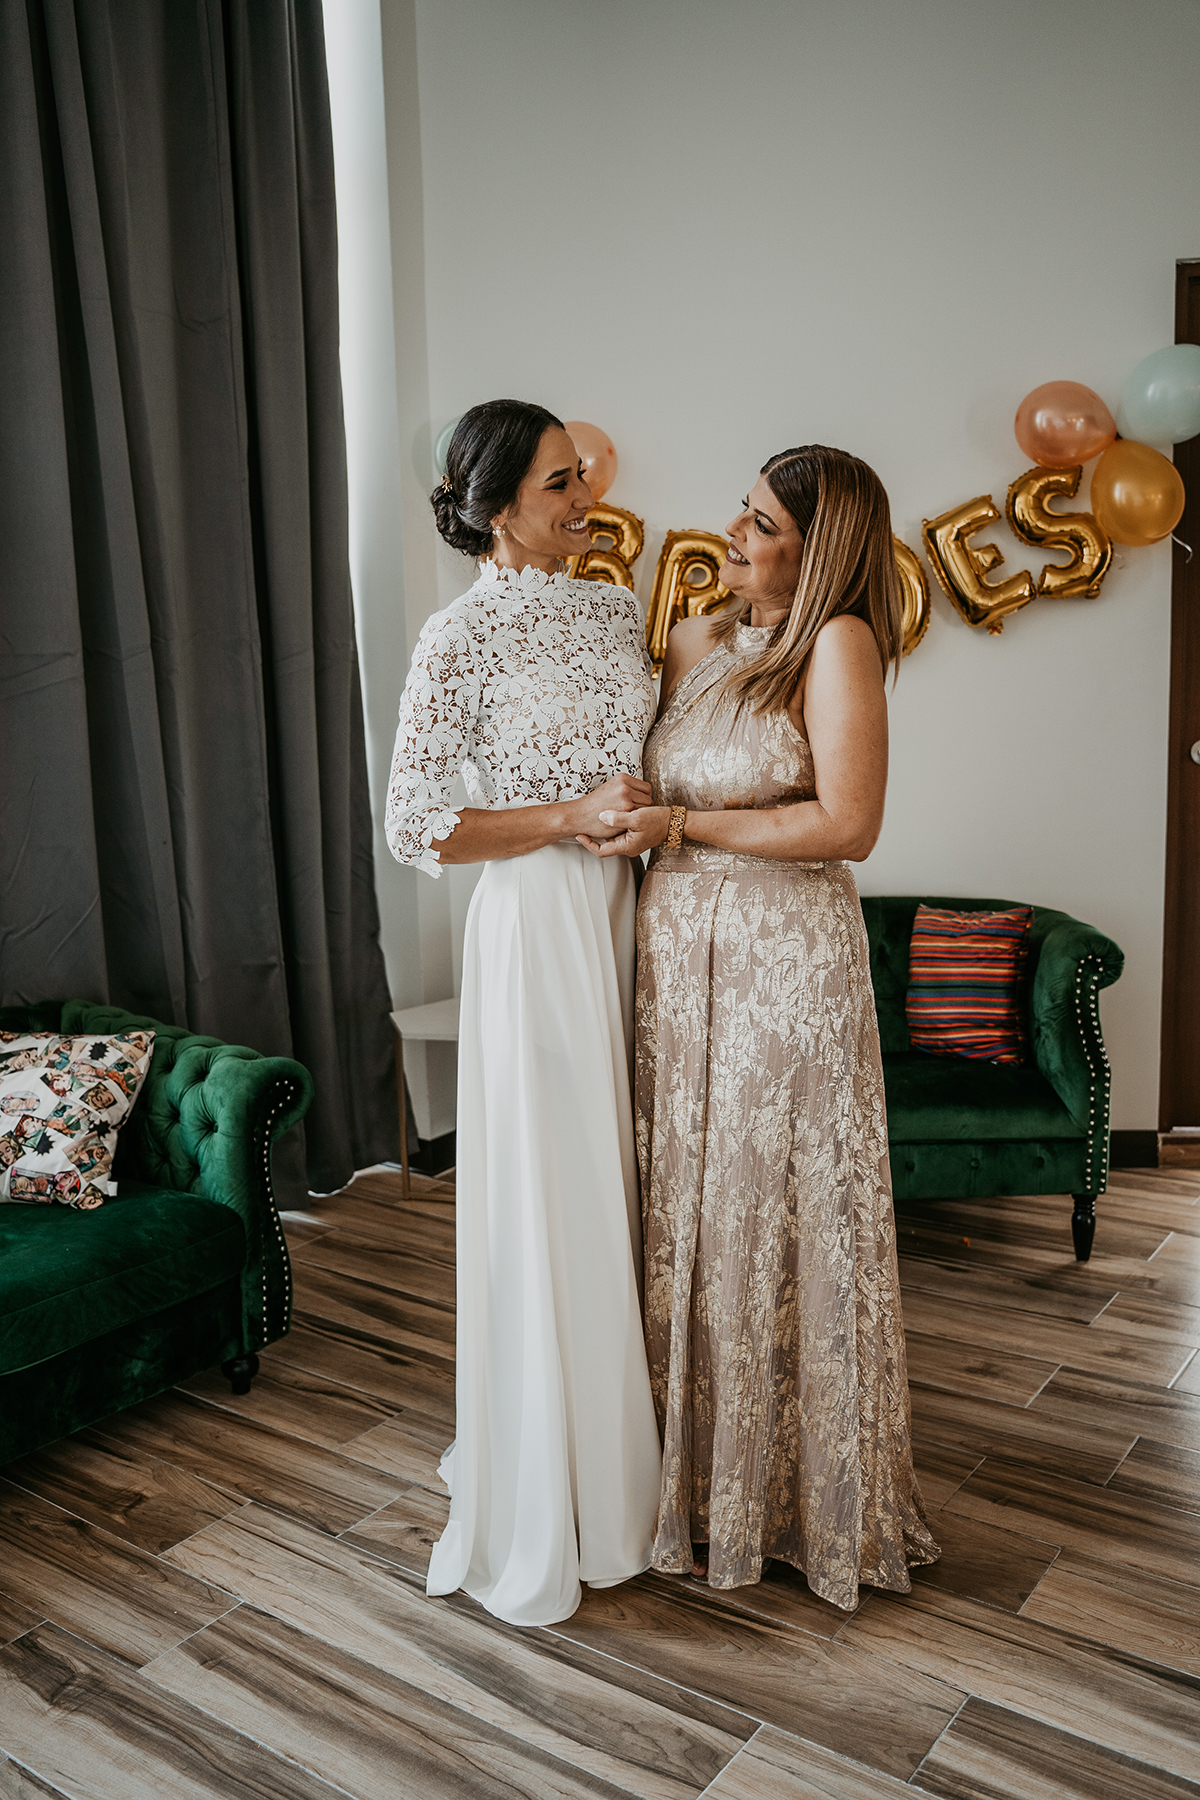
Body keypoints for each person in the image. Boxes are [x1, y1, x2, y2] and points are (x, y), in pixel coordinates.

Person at [580, 444, 940, 1611]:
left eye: (760, 523)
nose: (732, 535)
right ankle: (683, 1489)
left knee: (769, 1199)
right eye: (738, 514)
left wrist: (683, 825)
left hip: (786, 961)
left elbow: (849, 823)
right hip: (678, 960)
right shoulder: (691, 643)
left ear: (817, 547)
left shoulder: (836, 644)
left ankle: (795, 1499)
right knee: (684, 1202)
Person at [385, 399, 661, 1628]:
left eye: (582, 475)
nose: (585, 495)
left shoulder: (615, 608)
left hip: (631, 920)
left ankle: (631, 1465)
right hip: (539, 927)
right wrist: (564, 818)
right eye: (561, 483)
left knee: (628, 1188)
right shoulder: (459, 638)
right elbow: (417, 826)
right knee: (558, 1197)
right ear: (499, 507)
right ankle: (554, 1485)